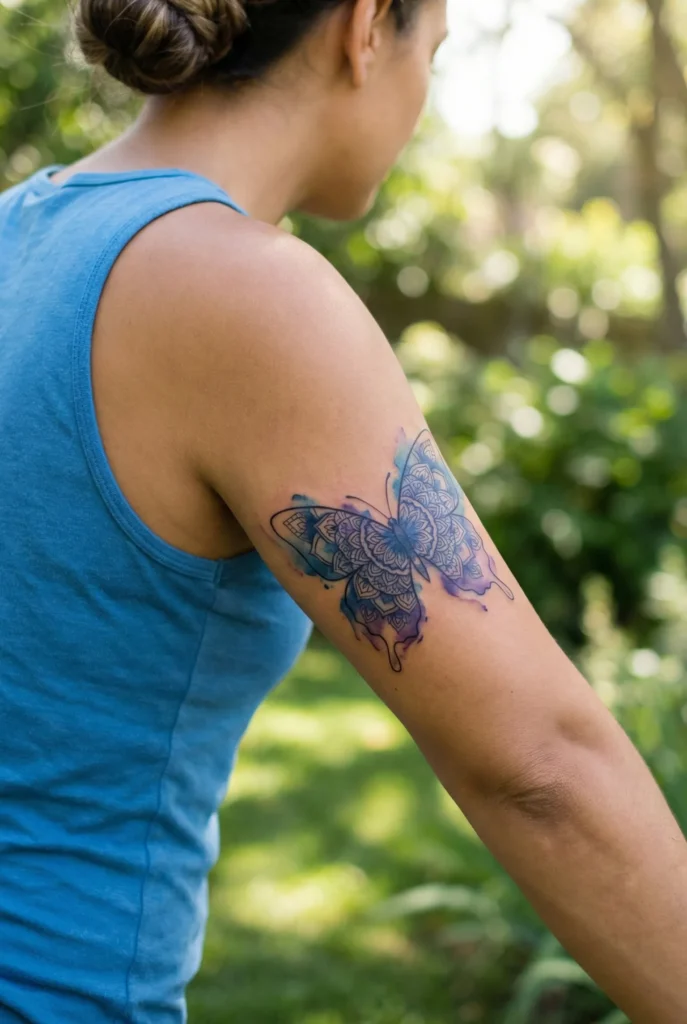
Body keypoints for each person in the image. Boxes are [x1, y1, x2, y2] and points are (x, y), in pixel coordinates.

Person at [0, 0, 685, 1020]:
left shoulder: (20, 231)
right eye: (437, 51)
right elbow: (540, 769)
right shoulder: (241, 290)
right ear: (366, 28)